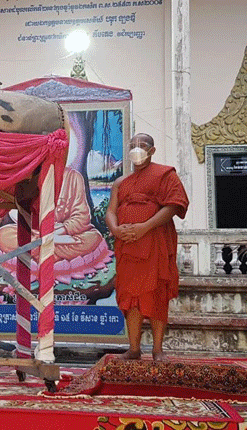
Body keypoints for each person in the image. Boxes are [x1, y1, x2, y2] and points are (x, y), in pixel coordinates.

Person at [105, 133, 189, 361]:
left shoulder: (166, 174)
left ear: (152, 151)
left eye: (141, 145)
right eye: (132, 145)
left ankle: (157, 349)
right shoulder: (121, 183)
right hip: (128, 246)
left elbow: (174, 206)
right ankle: (134, 348)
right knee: (129, 295)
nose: (136, 149)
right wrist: (116, 229)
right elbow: (111, 211)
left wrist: (144, 227)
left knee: (156, 293)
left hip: (154, 242)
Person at [0, 167, 112, 284]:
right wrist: (43, 232)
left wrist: (61, 230)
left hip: (61, 233)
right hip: (36, 233)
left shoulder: (73, 177)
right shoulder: (27, 175)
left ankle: (41, 252)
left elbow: (82, 217)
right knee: (3, 235)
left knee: (93, 237)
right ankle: (53, 254)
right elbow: (17, 212)